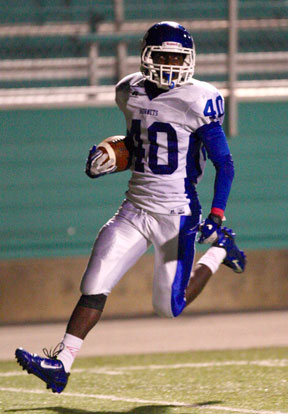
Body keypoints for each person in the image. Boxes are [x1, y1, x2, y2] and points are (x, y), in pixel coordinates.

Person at [15, 21, 246, 394]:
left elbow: (226, 163)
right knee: (94, 282)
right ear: (146, 56)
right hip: (135, 208)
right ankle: (61, 365)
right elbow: (139, 142)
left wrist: (217, 217)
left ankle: (220, 250)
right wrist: (110, 154)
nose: (171, 63)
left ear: (189, 60)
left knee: (168, 307)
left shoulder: (199, 98)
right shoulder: (129, 90)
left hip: (177, 214)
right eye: (164, 55)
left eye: (178, 57)